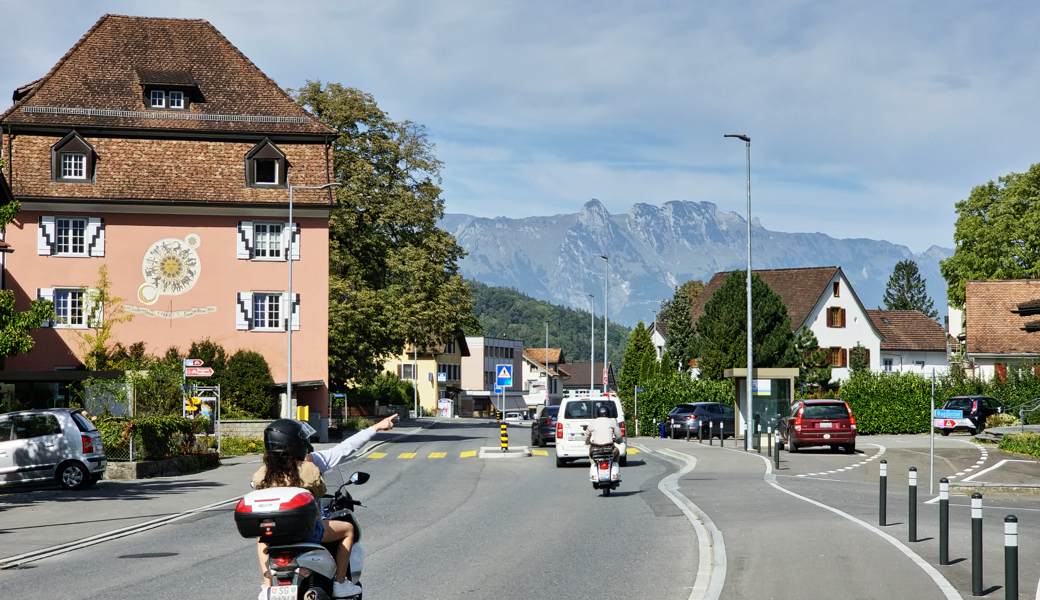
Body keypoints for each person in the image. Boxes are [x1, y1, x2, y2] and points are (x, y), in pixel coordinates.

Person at [254, 413, 398, 600]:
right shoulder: (310, 466)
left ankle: (267, 587)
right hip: (306, 532)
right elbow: (343, 453)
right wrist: (376, 427)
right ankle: (339, 584)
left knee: (261, 538)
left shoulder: (262, 473)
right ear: (296, 445)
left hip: (275, 534)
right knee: (347, 529)